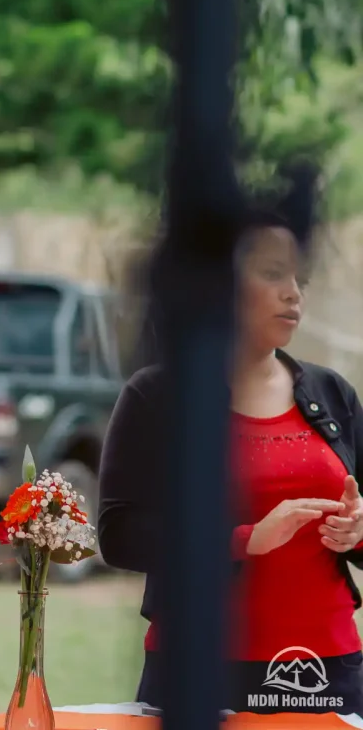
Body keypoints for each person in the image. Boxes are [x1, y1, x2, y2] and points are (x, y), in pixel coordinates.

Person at [99, 206, 363, 714]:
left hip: (326, 665)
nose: (294, 293)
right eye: (272, 274)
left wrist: (358, 530)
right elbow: (120, 534)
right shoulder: (158, 395)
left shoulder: (333, 393)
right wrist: (242, 540)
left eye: (299, 278)